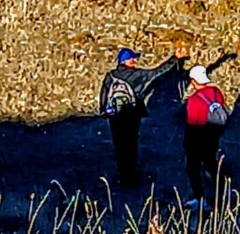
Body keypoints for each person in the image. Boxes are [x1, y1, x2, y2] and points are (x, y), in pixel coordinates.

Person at [99, 46, 183, 187]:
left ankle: (122, 174)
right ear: (128, 61)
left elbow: (104, 94)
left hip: (115, 116)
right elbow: (158, 71)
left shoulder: (110, 76)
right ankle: (130, 176)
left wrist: (104, 111)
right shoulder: (138, 75)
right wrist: (175, 58)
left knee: (119, 145)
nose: (135, 60)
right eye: (133, 58)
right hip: (131, 115)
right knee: (131, 144)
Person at [183, 63, 232, 206]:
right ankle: (223, 191)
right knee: (211, 163)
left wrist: (187, 143)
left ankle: (200, 199)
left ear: (193, 81)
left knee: (193, 168)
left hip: (198, 137)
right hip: (214, 134)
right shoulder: (216, 92)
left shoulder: (194, 99)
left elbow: (192, 123)